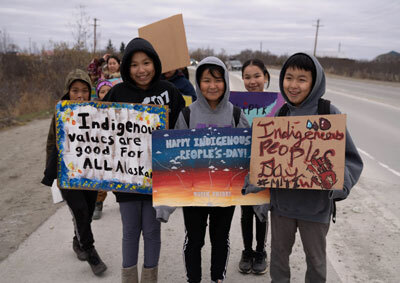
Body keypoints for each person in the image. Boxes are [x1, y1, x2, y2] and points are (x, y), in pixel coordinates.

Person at [254, 52, 363, 282]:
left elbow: (351, 159)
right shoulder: (280, 114)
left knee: (316, 261)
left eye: (302, 79)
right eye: (289, 78)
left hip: (316, 208)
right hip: (282, 206)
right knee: (278, 259)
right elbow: (265, 162)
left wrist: (340, 183)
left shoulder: (328, 113)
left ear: (314, 82)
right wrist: (262, 197)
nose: (294, 85)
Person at [104, 37, 185, 283]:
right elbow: (101, 133)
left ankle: (150, 277)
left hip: (158, 177)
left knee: (152, 230)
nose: (141, 70)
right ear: (127, 68)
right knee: (129, 231)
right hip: (126, 176)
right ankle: (129, 278)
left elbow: (183, 129)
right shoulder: (117, 93)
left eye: (146, 62)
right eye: (135, 64)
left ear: (155, 63)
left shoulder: (169, 91)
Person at [174, 56, 250, 283]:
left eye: (218, 80)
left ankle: (218, 278)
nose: (212, 86)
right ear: (198, 82)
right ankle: (193, 279)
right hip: (193, 194)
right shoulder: (187, 114)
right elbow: (176, 158)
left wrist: (255, 192)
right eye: (206, 80)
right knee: (194, 240)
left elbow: (247, 156)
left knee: (220, 239)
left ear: (226, 82)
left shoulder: (236, 114)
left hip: (225, 194)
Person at [41, 69, 107, 276]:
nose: (80, 95)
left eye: (84, 91)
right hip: (67, 172)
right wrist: (53, 174)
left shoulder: (97, 110)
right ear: (68, 92)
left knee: (86, 209)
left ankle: (77, 241)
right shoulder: (60, 111)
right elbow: (52, 141)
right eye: (75, 90)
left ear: (90, 92)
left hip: (90, 171)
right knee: (79, 209)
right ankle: (90, 250)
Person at [238, 59, 270, 275]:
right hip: (242, 166)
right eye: (247, 77)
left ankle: (261, 251)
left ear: (266, 78)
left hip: (267, 167)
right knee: (245, 212)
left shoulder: (276, 104)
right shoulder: (236, 105)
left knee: (262, 212)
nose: (252, 81)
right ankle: (247, 250)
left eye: (256, 76)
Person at [91, 79, 113, 220]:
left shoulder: (122, 107)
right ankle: (98, 203)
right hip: (100, 149)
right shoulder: (93, 109)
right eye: (102, 91)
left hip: (118, 150)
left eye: (108, 91)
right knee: (101, 178)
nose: (105, 94)